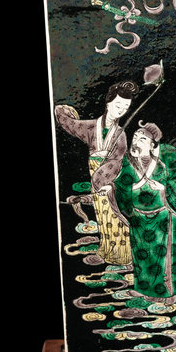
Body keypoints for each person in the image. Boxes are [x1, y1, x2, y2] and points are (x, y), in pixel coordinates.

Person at [54, 80, 139, 265]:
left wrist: (109, 184)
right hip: (96, 176)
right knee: (102, 216)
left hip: (111, 182)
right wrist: (61, 111)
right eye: (118, 105)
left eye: (125, 107)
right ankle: (106, 251)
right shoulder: (92, 127)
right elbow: (71, 124)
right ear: (108, 103)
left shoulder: (121, 134)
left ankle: (123, 256)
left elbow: (119, 162)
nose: (121, 110)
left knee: (115, 216)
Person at [113, 121, 176, 300]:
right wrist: (121, 189)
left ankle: (168, 292)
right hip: (138, 219)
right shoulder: (127, 162)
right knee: (142, 256)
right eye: (135, 137)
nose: (137, 141)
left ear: (152, 145)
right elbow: (121, 185)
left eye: (142, 139)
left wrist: (163, 189)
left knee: (162, 257)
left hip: (163, 217)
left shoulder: (163, 163)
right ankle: (144, 289)